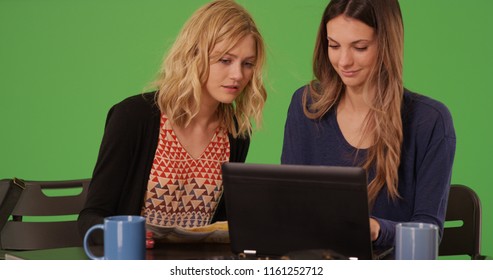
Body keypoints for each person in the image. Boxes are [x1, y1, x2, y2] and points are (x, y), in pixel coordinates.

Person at [78, 0, 267, 242]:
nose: (238, 75)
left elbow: (219, 226)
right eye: (225, 60)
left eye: (248, 64)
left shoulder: (237, 131)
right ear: (194, 55)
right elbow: (90, 219)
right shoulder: (134, 117)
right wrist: (128, 236)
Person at [281, 0, 455, 249]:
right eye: (334, 46)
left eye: (360, 47)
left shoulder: (430, 121)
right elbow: (288, 207)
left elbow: (429, 231)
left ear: (387, 45)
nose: (343, 61)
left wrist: (375, 228)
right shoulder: (306, 104)